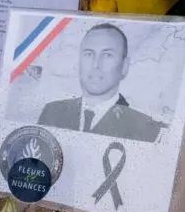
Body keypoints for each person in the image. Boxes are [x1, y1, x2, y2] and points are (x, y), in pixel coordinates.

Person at [37, 23, 166, 143]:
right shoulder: (52, 112)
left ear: (124, 67)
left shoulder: (147, 129)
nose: (96, 64)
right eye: (89, 54)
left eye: (107, 55)